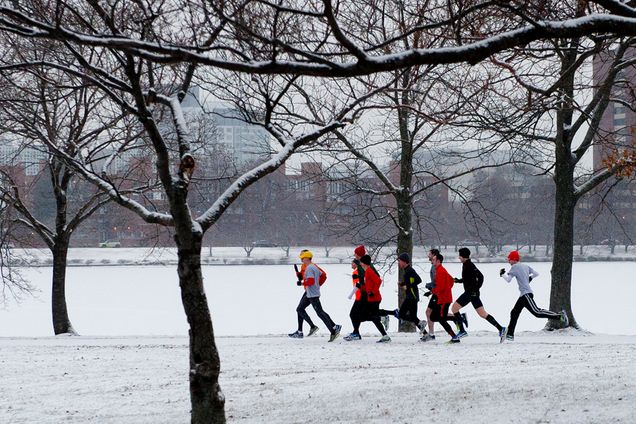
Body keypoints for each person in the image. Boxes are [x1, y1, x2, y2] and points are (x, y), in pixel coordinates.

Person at [500, 250, 568, 342]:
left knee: (537, 312)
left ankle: (560, 316)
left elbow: (508, 280)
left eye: (509, 259)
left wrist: (502, 274)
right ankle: (510, 335)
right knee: (514, 312)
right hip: (523, 295)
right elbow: (536, 274)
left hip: (526, 294)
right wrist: (529, 278)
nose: (508, 261)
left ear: (514, 259)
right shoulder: (525, 266)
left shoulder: (514, 267)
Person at [450, 247, 505, 342]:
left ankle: (462, 331)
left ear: (463, 256)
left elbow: (481, 276)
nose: (459, 257)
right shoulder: (466, 264)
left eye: (460, 256)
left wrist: (476, 288)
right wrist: (459, 281)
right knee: (482, 314)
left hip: (470, 293)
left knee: (454, 308)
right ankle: (501, 329)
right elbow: (468, 278)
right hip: (472, 293)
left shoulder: (469, 265)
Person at [289, 250, 342, 342]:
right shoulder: (310, 267)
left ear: (306, 258)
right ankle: (330, 327)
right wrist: (300, 276)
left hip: (312, 294)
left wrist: (302, 283)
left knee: (320, 313)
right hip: (310, 292)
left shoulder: (310, 268)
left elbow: (311, 281)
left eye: (302, 258)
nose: (301, 259)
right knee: (301, 309)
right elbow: (315, 277)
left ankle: (333, 331)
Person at [344, 254, 391, 343]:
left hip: (374, 298)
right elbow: (367, 285)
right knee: (369, 316)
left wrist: (372, 292)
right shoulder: (366, 272)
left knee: (369, 316)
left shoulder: (369, 271)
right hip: (371, 298)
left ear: (364, 263)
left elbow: (378, 281)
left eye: (361, 262)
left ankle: (386, 317)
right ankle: (385, 333)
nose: (360, 264)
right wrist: (361, 287)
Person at [380, 253, 427, 335]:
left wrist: (408, 287)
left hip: (412, 296)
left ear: (405, 261)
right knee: (412, 316)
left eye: (400, 261)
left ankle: (421, 325)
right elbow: (410, 281)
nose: (399, 263)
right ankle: (425, 334)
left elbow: (419, 280)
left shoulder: (410, 271)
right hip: (411, 296)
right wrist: (403, 284)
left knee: (402, 314)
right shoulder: (407, 270)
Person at [427, 253, 461, 343]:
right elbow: (451, 280)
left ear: (438, 261)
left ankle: (454, 337)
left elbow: (440, 287)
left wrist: (432, 290)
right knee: (434, 317)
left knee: (441, 319)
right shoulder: (440, 270)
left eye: (433, 259)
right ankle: (455, 319)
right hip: (442, 298)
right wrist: (447, 289)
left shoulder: (441, 271)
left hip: (444, 299)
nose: (432, 261)